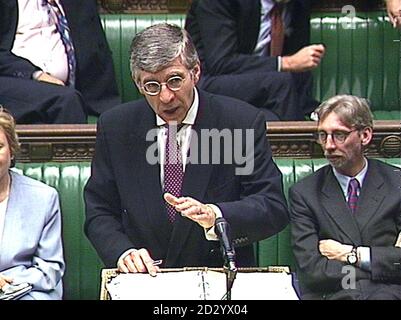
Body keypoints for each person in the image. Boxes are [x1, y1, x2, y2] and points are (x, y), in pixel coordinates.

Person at [84, 23, 289, 275]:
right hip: (146, 279)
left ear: (196, 72)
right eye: (151, 85)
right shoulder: (116, 127)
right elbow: (100, 211)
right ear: (137, 84)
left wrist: (217, 216)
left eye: (174, 80)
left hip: (218, 278)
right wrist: (123, 252)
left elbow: (272, 206)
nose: (165, 97)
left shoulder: (239, 123)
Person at [289, 95, 401, 300]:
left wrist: (350, 255)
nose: (329, 145)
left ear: (365, 135)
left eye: (339, 135)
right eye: (323, 135)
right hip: (332, 295)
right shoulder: (304, 193)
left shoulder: (397, 184)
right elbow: (312, 272)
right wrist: (379, 266)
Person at [185, 0, 325, 121]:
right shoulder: (219, 2)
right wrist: (285, 63)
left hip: (260, 87)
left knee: (271, 116)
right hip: (207, 81)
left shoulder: (295, 5)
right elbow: (221, 63)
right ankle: (301, 148)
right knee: (281, 82)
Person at [0, 0, 120, 124]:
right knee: (66, 101)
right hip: (12, 80)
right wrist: (36, 75)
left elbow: (96, 50)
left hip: (64, 91)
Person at [0, 106, 65, 299]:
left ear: (12, 150)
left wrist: (4, 282)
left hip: (24, 293)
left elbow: (49, 270)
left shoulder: (43, 198)